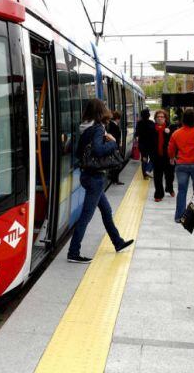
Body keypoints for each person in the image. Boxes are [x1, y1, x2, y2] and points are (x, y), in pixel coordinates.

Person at [69, 99, 134, 264]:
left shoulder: (85, 128)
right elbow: (98, 150)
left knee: (106, 211)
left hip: (87, 175)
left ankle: (117, 242)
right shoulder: (98, 128)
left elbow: (78, 153)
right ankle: (73, 252)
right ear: (101, 110)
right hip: (95, 178)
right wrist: (112, 143)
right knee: (86, 216)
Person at [168, 109, 194, 223]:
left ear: (183, 120)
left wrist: (171, 157)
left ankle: (179, 216)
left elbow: (170, 148)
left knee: (182, 190)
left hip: (181, 165)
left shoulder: (176, 133)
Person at [152, 109, 174, 202]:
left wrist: (169, 133)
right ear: (155, 119)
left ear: (165, 118)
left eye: (162, 117)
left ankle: (169, 188)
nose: (160, 118)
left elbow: (174, 142)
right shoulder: (152, 129)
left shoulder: (170, 127)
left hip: (168, 156)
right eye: (158, 117)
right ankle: (158, 194)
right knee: (157, 177)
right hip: (157, 157)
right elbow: (147, 143)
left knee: (170, 175)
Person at [134, 108, 156, 178]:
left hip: (142, 145)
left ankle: (144, 175)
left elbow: (136, 134)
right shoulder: (152, 123)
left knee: (144, 159)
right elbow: (155, 134)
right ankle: (148, 170)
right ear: (148, 115)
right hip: (151, 145)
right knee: (153, 158)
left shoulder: (139, 123)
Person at [106, 110, 125, 185]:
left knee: (116, 163)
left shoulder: (110, 124)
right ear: (117, 118)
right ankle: (115, 179)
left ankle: (114, 178)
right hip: (114, 147)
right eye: (119, 119)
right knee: (119, 162)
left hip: (113, 146)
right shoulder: (114, 126)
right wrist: (117, 147)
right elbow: (114, 137)